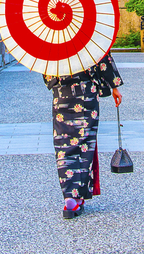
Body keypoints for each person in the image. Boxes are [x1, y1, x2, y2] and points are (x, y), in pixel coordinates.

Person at [44, 52, 124, 219]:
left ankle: (69, 197)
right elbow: (102, 57)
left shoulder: (52, 41)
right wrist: (113, 86)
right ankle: (78, 194)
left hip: (61, 95)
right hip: (86, 93)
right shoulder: (87, 34)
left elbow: (46, 71)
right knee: (84, 144)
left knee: (64, 146)